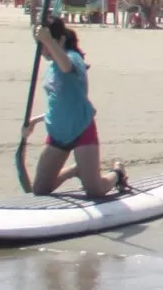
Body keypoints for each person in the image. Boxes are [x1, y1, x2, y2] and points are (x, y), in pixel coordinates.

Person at [26, 17, 125, 200]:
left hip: (81, 129)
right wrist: (37, 119)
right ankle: (75, 170)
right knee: (40, 189)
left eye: (44, 45)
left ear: (60, 40)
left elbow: (66, 67)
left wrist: (47, 39)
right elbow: (61, 102)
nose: (42, 50)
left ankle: (117, 173)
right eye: (39, 45)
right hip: (58, 132)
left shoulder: (73, 58)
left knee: (95, 191)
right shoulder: (52, 67)